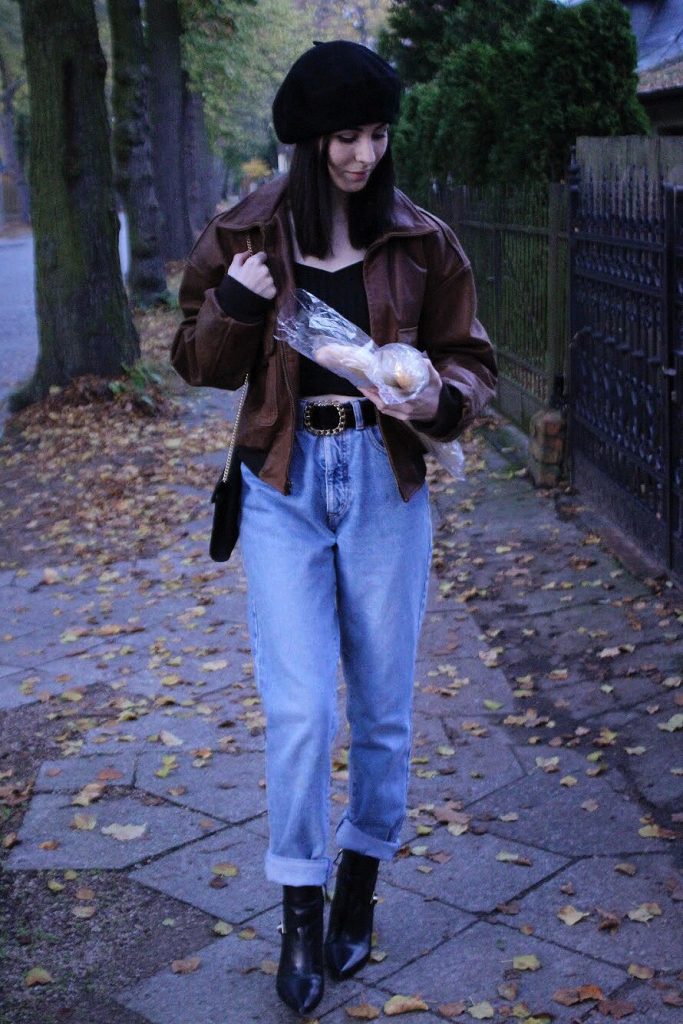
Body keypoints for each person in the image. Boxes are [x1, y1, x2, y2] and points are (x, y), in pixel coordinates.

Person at [171, 39, 497, 1016]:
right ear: (305, 142)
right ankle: (301, 911)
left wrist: (433, 396)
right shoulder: (245, 230)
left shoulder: (421, 239)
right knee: (305, 708)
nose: (360, 153)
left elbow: (471, 362)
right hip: (280, 482)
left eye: (373, 134)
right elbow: (194, 359)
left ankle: (360, 880)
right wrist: (236, 302)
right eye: (341, 137)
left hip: (385, 481)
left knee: (385, 709)